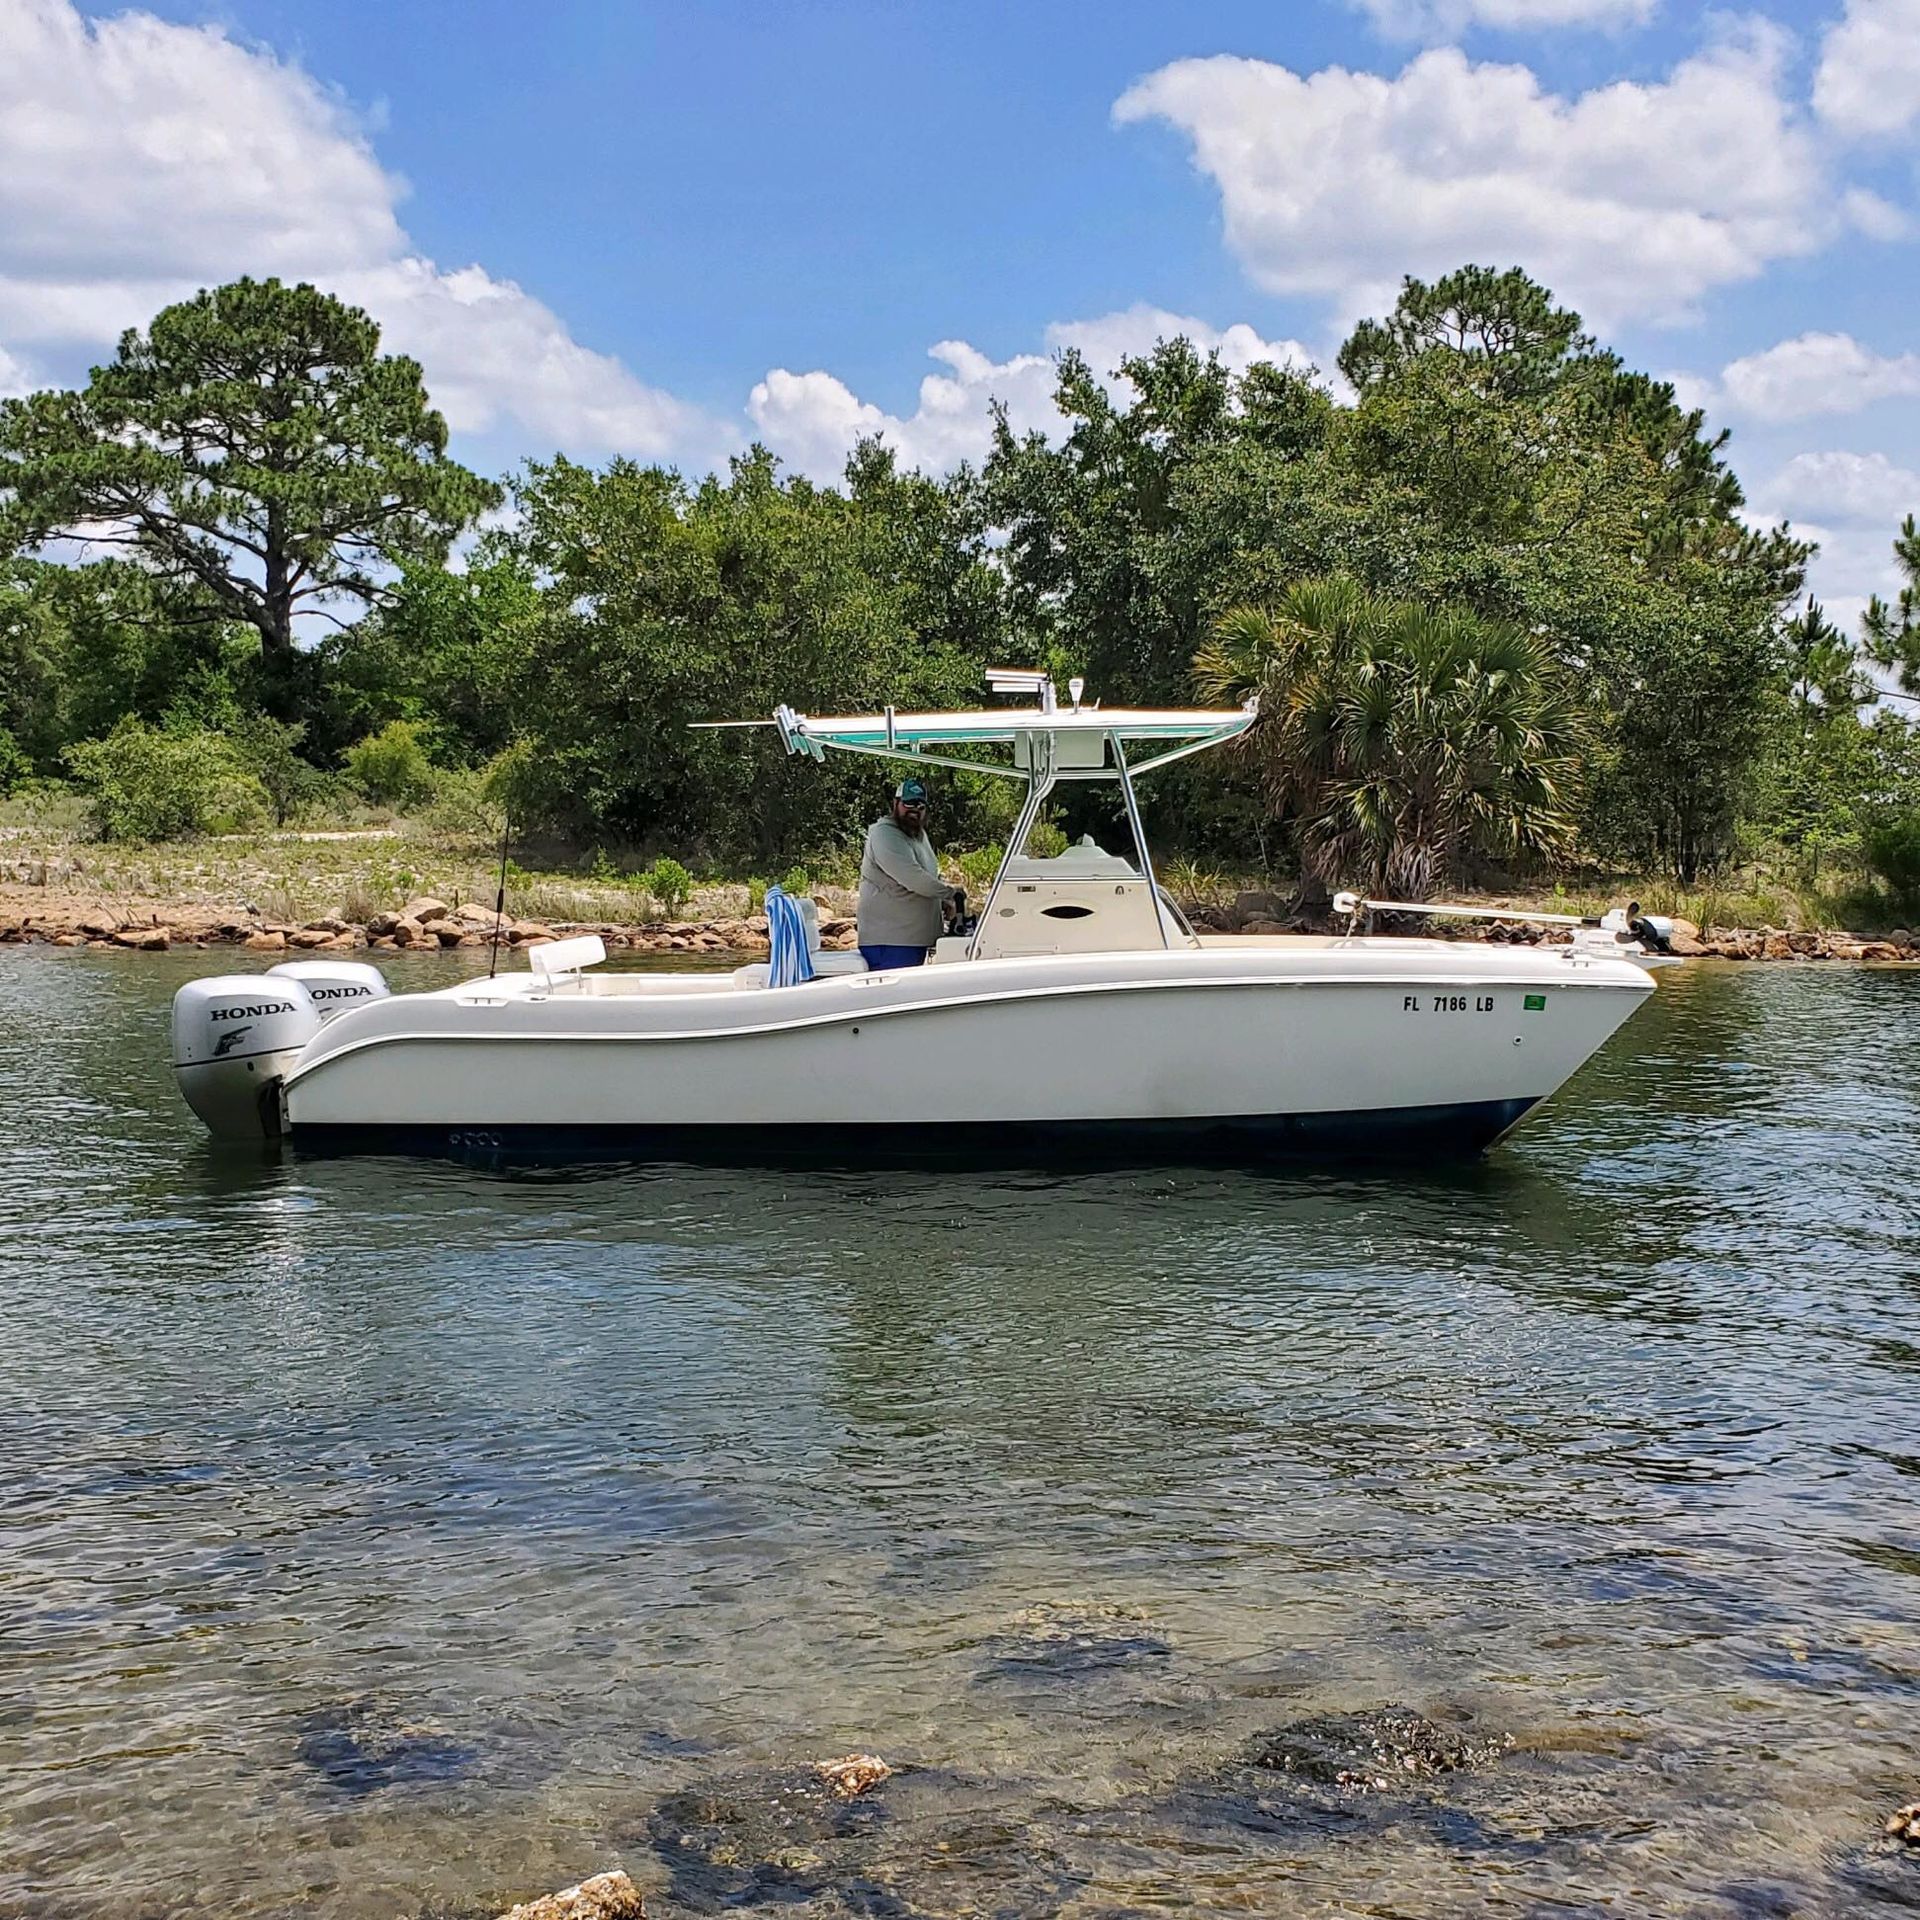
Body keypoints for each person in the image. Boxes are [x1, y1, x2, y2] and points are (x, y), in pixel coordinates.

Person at [856, 777, 958, 969]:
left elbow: (929, 876)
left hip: (912, 942)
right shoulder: (885, 834)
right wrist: (951, 893)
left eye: (920, 805)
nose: (914, 809)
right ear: (896, 803)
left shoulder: (918, 835)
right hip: (891, 944)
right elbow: (914, 878)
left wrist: (943, 902)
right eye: (909, 803)